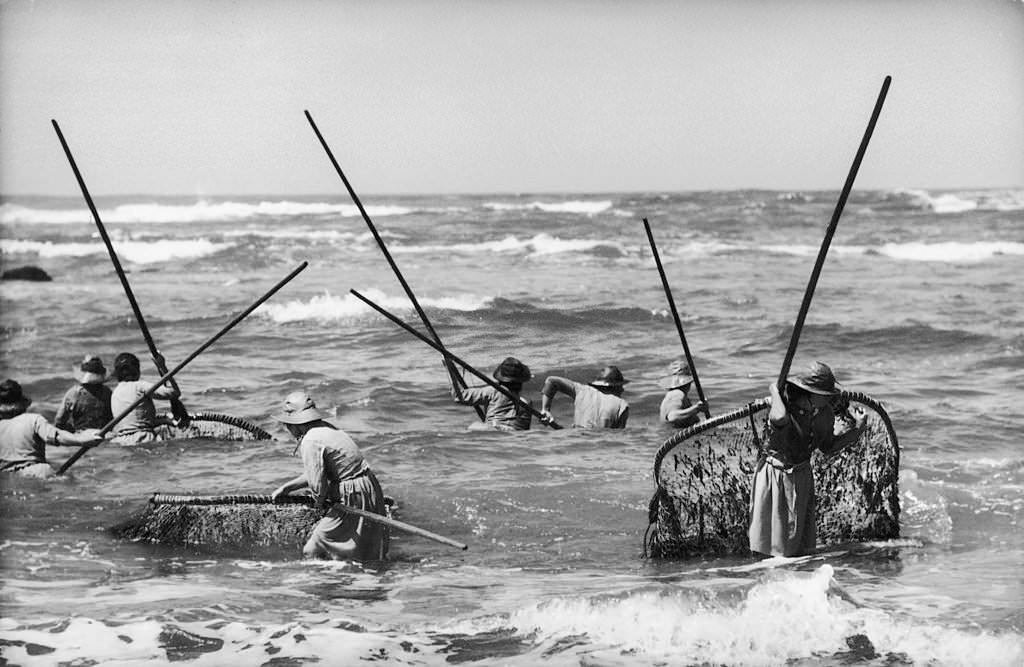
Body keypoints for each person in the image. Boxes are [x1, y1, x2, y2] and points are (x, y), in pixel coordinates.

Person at [747, 361, 867, 558]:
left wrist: (857, 430)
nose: (829, 398)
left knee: (799, 542)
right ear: (809, 393)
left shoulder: (825, 413)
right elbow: (779, 419)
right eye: (824, 395)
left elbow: (828, 446)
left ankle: (796, 575)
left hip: (802, 475)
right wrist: (774, 392)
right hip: (775, 475)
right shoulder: (785, 407)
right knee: (772, 541)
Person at [270, 390, 389, 562]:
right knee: (362, 550)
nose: (287, 429)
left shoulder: (310, 440)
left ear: (295, 424)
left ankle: (323, 583)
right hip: (368, 485)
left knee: (313, 549)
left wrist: (319, 504)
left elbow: (318, 486)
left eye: (287, 424)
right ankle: (352, 579)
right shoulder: (325, 428)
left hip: (352, 493)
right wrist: (287, 488)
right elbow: (320, 473)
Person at [0, 379, 104, 477]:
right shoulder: (33, 420)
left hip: (8, 476)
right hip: (37, 471)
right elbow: (57, 437)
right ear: (22, 403)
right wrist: (82, 440)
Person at [108, 352, 181, 445]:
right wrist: (162, 366)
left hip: (121, 441)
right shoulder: (139, 386)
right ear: (137, 371)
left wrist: (164, 420)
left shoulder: (115, 393)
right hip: (143, 438)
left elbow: (135, 421)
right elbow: (174, 392)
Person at [452, 357, 533, 431]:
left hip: (494, 428)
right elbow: (524, 428)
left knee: (473, 426)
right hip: (514, 433)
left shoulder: (493, 391)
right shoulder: (527, 401)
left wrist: (451, 371)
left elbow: (459, 396)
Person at [539, 365, 630, 429]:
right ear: (616, 386)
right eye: (621, 386)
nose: (622, 390)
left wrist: (545, 410)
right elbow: (617, 437)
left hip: (578, 440)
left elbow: (551, 381)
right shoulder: (622, 405)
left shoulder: (581, 390)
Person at [55, 355, 113, 432]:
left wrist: (70, 431)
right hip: (103, 433)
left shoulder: (74, 393)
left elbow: (59, 420)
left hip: (81, 435)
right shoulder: (107, 392)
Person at [658, 359, 706, 429]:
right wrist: (697, 408)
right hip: (676, 437)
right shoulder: (677, 394)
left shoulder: (672, 394)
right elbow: (672, 417)